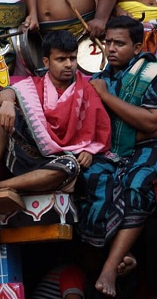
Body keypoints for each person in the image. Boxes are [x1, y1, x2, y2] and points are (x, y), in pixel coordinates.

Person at [0, 31, 111, 200]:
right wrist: (8, 103)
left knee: (70, 166)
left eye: (73, 58)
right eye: (61, 59)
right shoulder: (33, 85)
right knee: (2, 109)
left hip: (57, 162)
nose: (69, 64)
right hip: (26, 155)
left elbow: (99, 130)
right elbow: (8, 92)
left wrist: (88, 151)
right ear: (46, 62)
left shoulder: (88, 90)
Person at [79, 16, 157, 297]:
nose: (111, 48)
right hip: (108, 152)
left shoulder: (152, 73)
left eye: (119, 44)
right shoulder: (100, 79)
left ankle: (111, 268)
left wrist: (107, 98)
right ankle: (127, 256)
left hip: (148, 148)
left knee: (137, 185)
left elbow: (151, 123)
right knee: (94, 183)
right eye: (108, 42)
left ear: (137, 48)